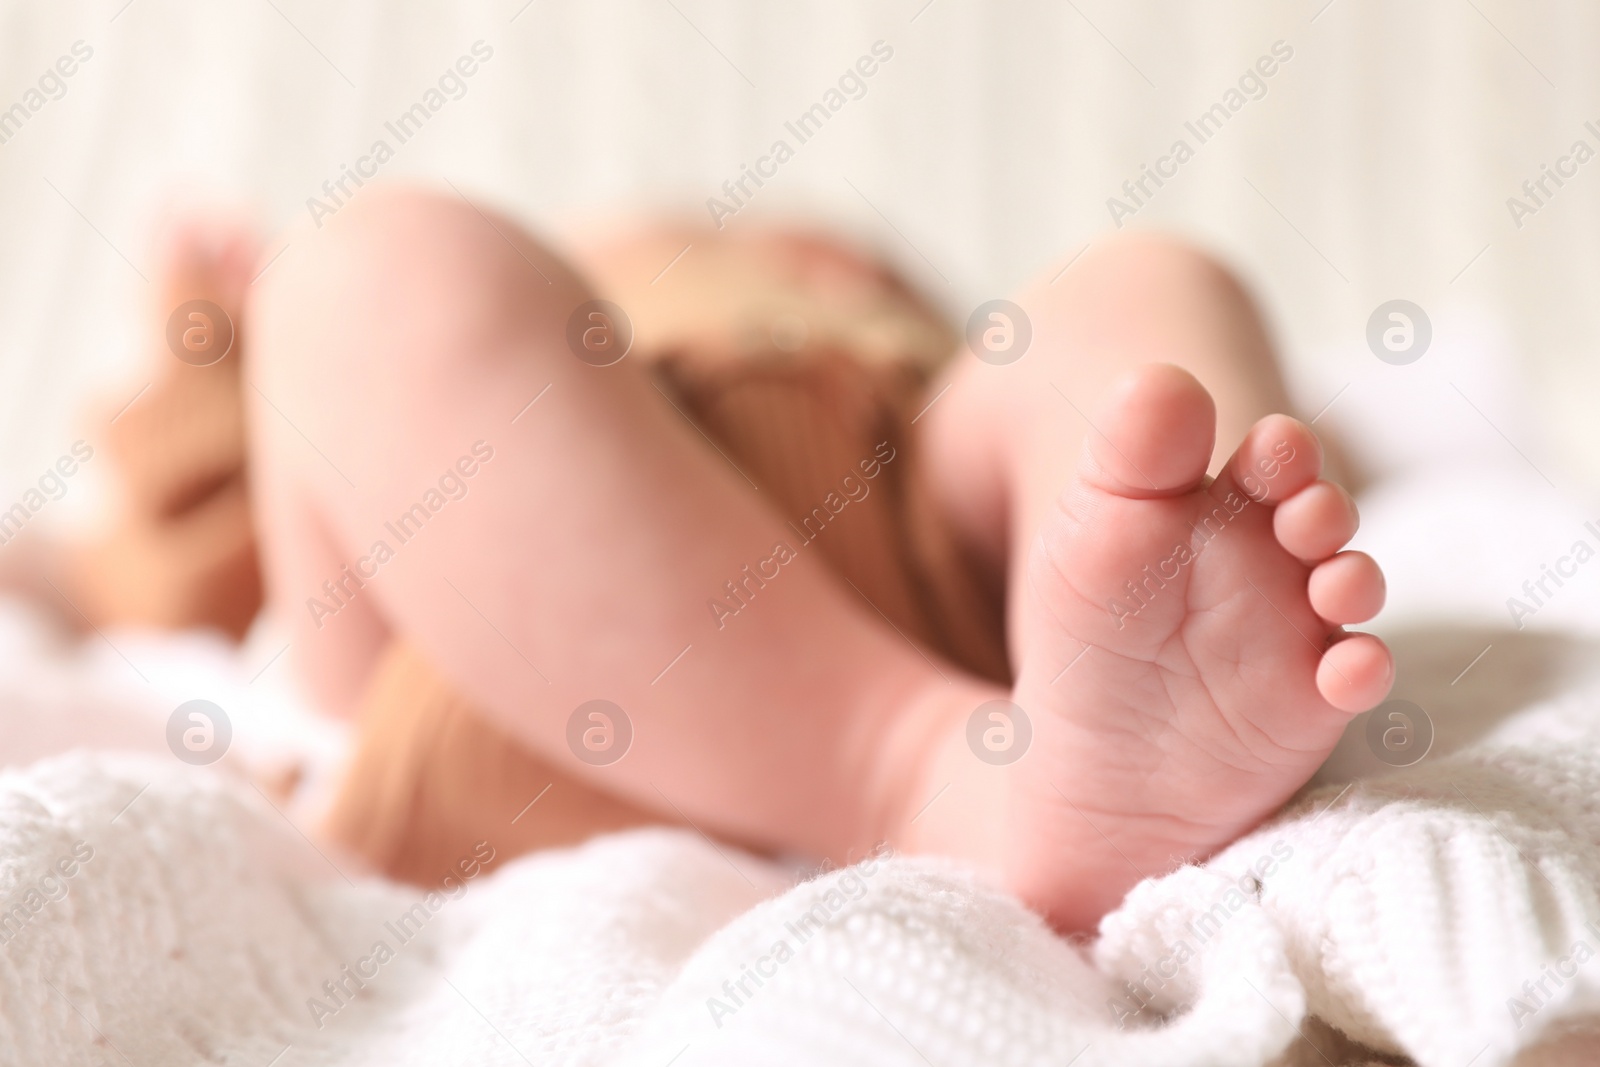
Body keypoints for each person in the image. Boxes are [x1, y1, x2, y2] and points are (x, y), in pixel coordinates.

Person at [78, 187, 1395, 934]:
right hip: (520, 622)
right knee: (364, 270)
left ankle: (1165, 565)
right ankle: (918, 773)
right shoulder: (591, 330)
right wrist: (212, 348)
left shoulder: (908, 368)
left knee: (1130, 290)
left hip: (955, 581)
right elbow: (160, 557)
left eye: (832, 258)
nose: (780, 252)